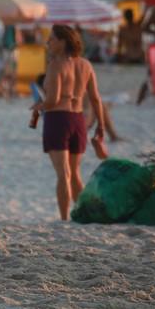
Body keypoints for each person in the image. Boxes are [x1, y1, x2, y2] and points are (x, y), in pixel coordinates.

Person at [30, 24, 104, 221]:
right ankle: (83, 215)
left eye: (52, 39)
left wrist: (38, 107)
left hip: (58, 120)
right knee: (74, 173)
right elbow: (96, 99)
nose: (48, 43)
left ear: (63, 42)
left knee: (63, 174)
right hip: (78, 120)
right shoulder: (85, 65)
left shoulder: (56, 65)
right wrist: (101, 126)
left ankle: (64, 218)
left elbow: (53, 100)